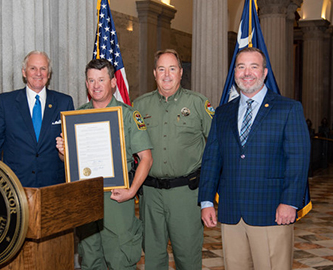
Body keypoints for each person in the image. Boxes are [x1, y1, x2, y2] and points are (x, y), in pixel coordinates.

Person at [199, 47, 310, 270]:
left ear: (265, 72)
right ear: (235, 73)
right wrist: (207, 201)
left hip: (272, 211)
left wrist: (290, 201)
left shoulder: (288, 109)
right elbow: (212, 159)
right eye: (241, 66)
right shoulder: (222, 113)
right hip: (231, 213)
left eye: (254, 66)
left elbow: (297, 160)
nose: (247, 72)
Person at [56, 59, 153, 270]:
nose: (96, 85)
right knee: (89, 257)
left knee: (120, 258)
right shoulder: (77, 116)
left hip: (116, 197)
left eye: (101, 79)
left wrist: (131, 191)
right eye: (91, 80)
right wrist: (64, 152)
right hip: (86, 197)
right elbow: (70, 164)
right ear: (86, 83)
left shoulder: (128, 115)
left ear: (113, 83)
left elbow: (146, 158)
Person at [133, 49, 214, 270]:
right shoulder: (140, 106)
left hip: (186, 195)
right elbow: (127, 148)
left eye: (172, 69)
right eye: (161, 69)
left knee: (187, 257)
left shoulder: (198, 103)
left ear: (180, 72)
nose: (166, 74)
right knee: (153, 257)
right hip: (150, 195)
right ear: (154, 73)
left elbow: (216, 148)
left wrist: (211, 193)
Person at [0, 50, 74, 187]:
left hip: (54, 186)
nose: (38, 73)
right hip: (16, 186)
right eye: (33, 68)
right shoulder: (6, 102)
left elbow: (72, 147)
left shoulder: (64, 102)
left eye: (43, 69)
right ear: (24, 72)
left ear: (49, 74)